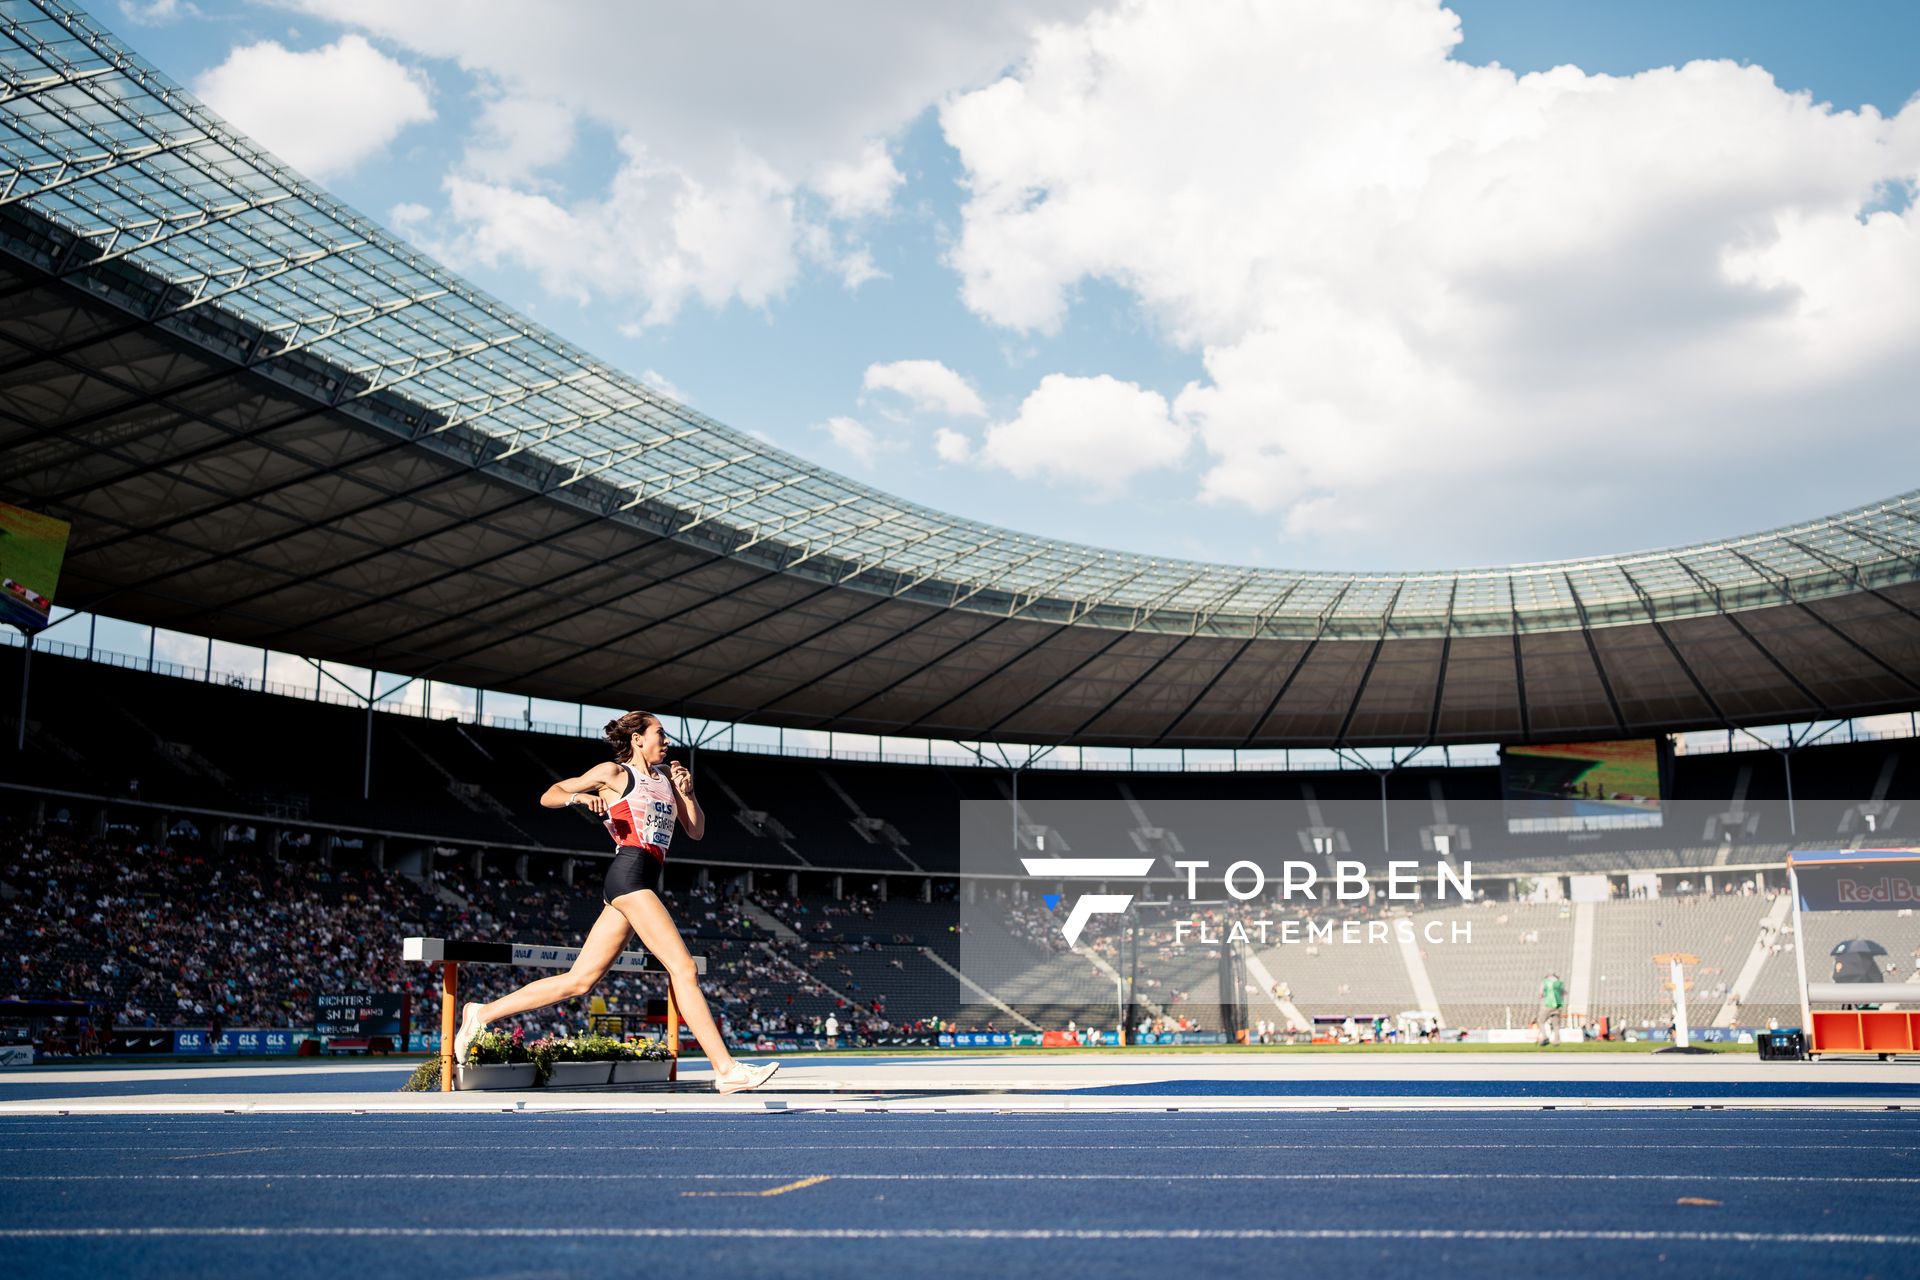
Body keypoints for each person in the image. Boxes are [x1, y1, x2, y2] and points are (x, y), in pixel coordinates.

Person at [451, 711, 777, 1094]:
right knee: (684, 968)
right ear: (637, 739)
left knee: (579, 981)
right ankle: (726, 1069)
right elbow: (549, 795)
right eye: (660, 733)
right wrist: (580, 797)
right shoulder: (614, 773)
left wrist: (688, 793)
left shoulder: (668, 780)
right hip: (629, 875)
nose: (667, 740)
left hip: (639, 879)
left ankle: (482, 1012)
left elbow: (696, 830)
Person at [1539, 972, 1566, 1046]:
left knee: (1541, 1021)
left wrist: (1543, 996)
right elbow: (1564, 993)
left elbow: (1541, 994)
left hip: (1548, 1004)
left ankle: (1545, 1037)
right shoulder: (1560, 983)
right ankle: (1557, 1041)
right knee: (1556, 1025)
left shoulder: (1545, 982)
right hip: (1558, 1005)